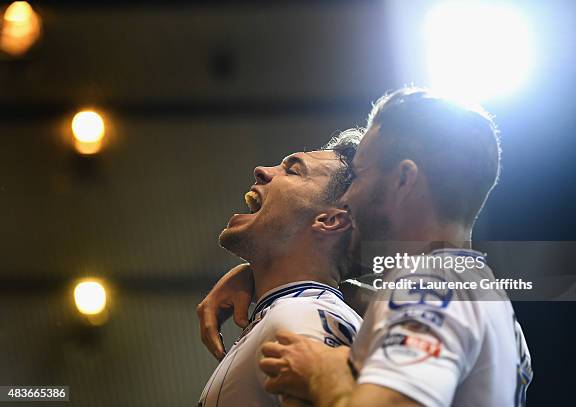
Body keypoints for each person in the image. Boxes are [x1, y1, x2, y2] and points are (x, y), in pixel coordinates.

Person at [198, 87, 533, 406]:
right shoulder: (477, 294)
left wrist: (320, 372)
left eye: (359, 175)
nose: (348, 197)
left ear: (403, 180)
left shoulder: (429, 286)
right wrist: (261, 279)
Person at [196, 130, 364, 407]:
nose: (261, 170)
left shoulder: (306, 317)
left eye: (294, 171)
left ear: (330, 220)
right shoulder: (291, 311)